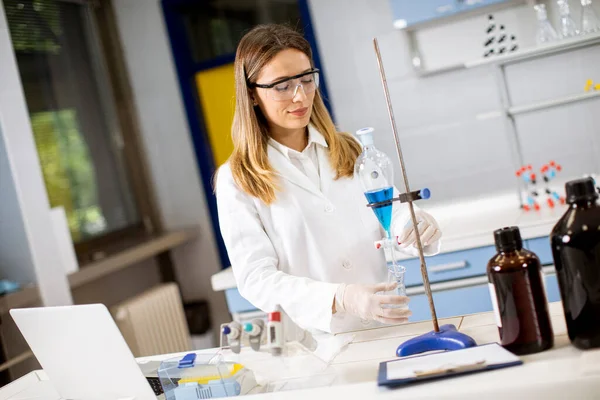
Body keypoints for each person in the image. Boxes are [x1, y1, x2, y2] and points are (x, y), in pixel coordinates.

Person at [216, 24, 442, 334]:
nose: (300, 95)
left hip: (386, 326)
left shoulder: (351, 150)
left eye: (307, 79)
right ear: (252, 93)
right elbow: (256, 279)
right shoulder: (238, 178)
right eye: (282, 86)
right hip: (318, 342)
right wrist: (339, 297)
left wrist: (412, 225)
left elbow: (391, 212)